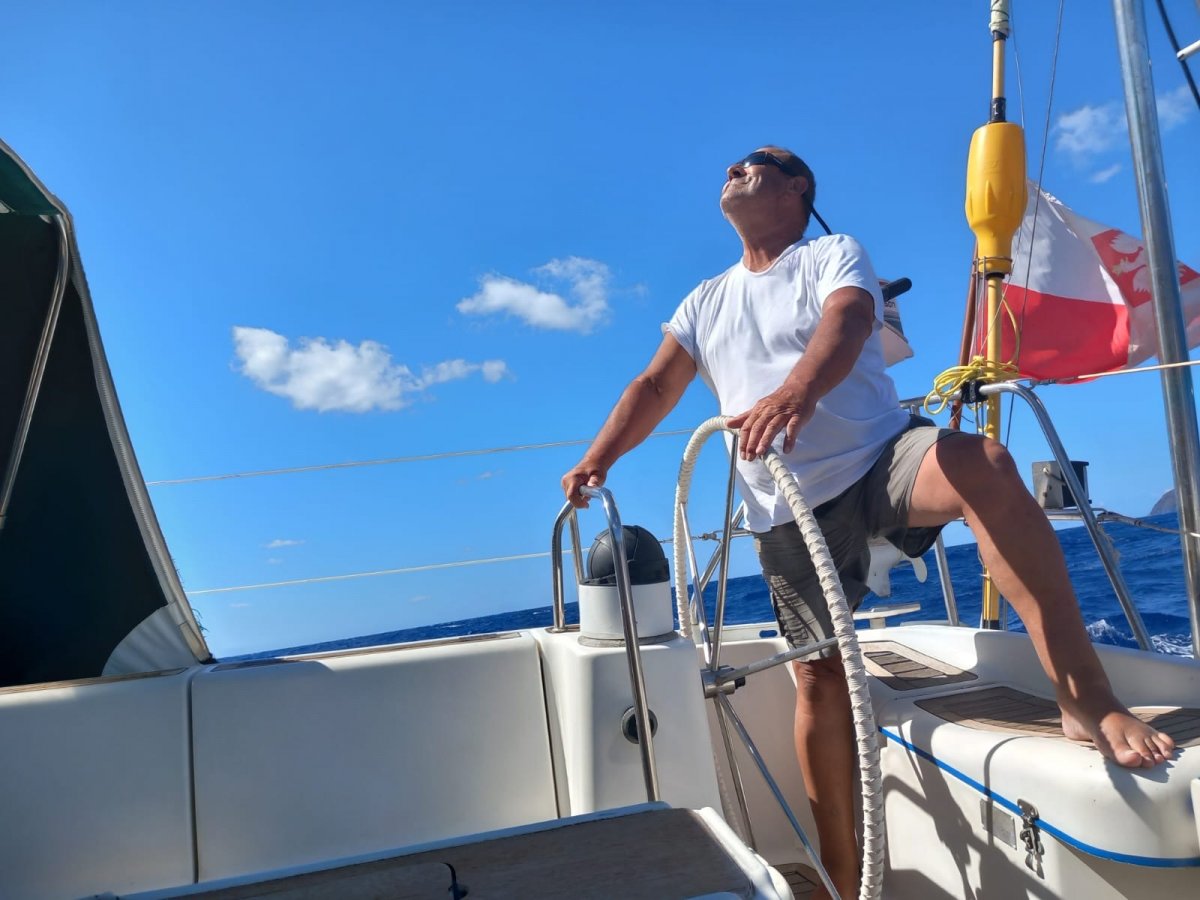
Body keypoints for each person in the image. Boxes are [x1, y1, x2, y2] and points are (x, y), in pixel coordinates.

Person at [561, 146, 1176, 900]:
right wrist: (598, 458)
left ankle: (1087, 698)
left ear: (797, 187)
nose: (733, 169)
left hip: (880, 458)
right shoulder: (704, 300)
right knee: (819, 678)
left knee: (984, 463)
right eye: (728, 166)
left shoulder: (831, 253)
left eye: (755, 162)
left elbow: (851, 318)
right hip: (785, 507)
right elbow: (656, 384)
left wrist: (797, 391)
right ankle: (841, 876)